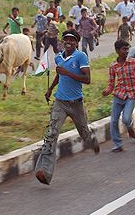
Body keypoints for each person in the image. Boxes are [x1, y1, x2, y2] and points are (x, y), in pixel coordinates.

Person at [35, 30, 100, 185]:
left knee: (84, 133)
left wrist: (67, 72)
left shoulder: (80, 56)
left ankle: (91, 141)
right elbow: (59, 74)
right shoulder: (59, 57)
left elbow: (87, 79)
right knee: (51, 134)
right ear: (63, 41)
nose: (69, 42)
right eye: (66, 39)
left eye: (72, 40)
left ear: (76, 42)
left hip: (76, 103)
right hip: (60, 103)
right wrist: (50, 89)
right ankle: (44, 171)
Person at [102, 39, 135, 152]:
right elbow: (111, 83)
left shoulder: (134, 62)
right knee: (113, 121)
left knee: (126, 119)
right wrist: (107, 91)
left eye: (127, 49)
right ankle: (118, 144)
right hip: (118, 95)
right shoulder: (113, 66)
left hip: (131, 95)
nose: (126, 51)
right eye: (124, 49)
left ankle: (129, 127)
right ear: (117, 51)